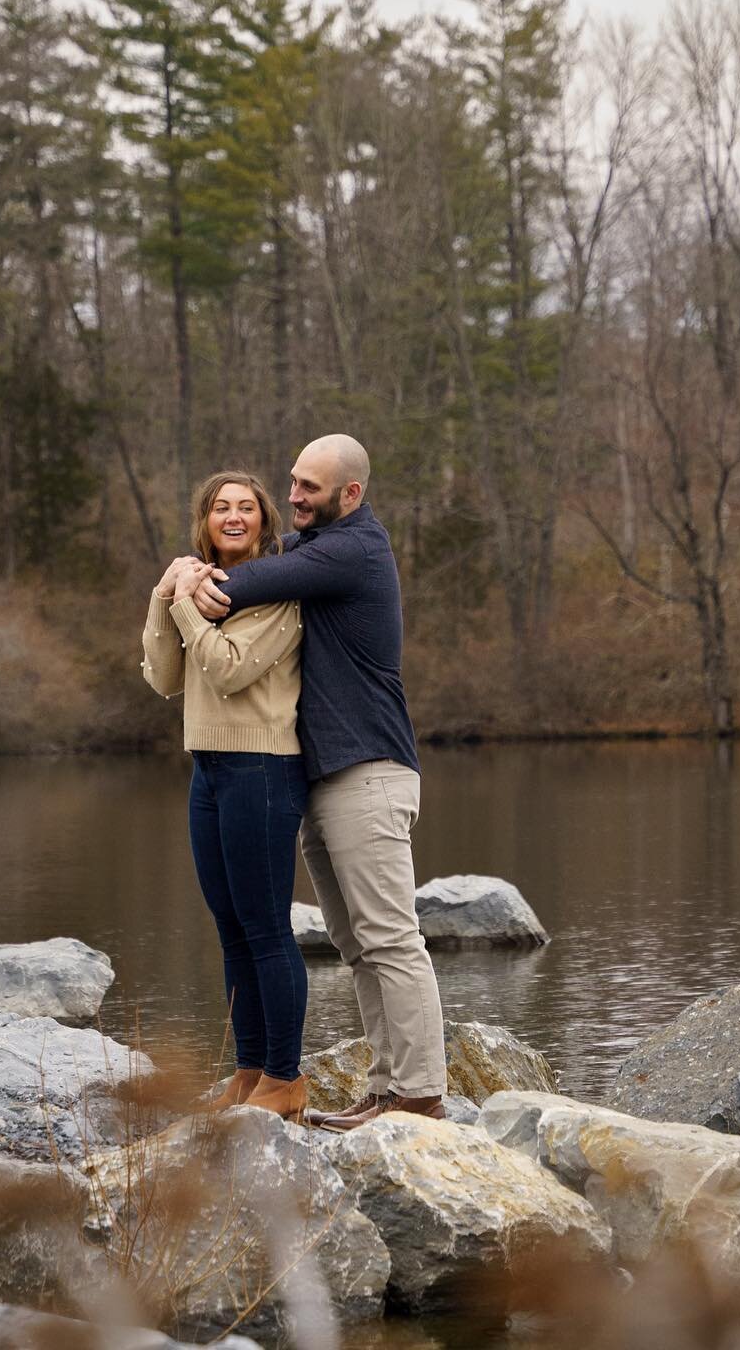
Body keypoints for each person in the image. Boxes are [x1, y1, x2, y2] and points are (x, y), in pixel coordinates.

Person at [189, 434, 447, 1129]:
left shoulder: (353, 548)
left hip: (369, 771)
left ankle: (420, 1094)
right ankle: (387, 1087)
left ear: (350, 496)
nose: (293, 496)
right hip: (325, 778)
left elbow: (239, 584)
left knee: (390, 938)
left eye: (309, 488)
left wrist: (185, 577)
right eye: (294, 481)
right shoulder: (311, 550)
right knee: (357, 942)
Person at [141, 469, 310, 1122]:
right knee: (231, 928)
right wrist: (164, 597)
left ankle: (286, 1079)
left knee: (267, 928)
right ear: (204, 522)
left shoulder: (278, 594)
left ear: (265, 522)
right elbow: (163, 677)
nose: (233, 516)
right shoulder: (195, 588)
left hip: (263, 769)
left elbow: (230, 668)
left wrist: (186, 601)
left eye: (246, 507)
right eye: (220, 508)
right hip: (209, 771)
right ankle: (248, 1070)